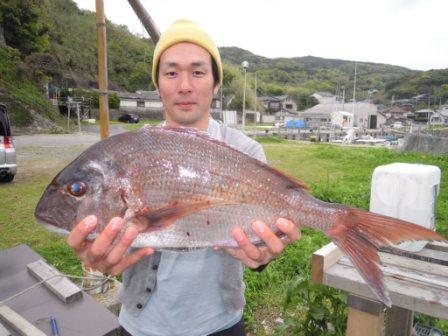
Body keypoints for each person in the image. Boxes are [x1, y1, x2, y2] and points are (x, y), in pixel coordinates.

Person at [67, 19, 301, 336]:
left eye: (198, 72)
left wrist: (262, 257)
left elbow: (260, 247)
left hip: (220, 324)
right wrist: (97, 257)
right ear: (158, 83)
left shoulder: (246, 151)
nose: (185, 85)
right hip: (141, 325)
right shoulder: (128, 153)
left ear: (216, 84)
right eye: (172, 72)